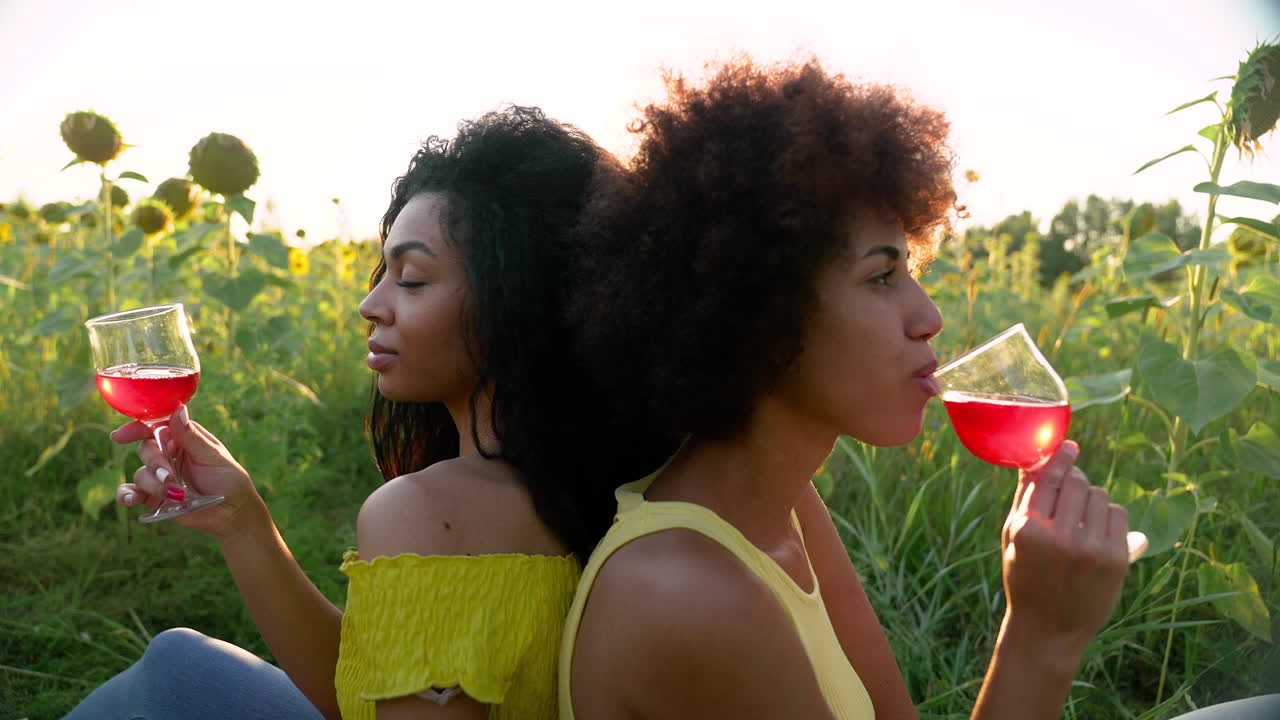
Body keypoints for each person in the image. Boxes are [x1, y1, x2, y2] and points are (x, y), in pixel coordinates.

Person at [558, 57, 1136, 720]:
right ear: (763, 313)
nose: (930, 317)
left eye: (908, 268)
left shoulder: (785, 507)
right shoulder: (686, 592)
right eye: (881, 277)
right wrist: (1043, 637)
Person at [65, 106, 671, 720]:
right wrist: (241, 522)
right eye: (385, 271)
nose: (369, 304)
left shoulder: (429, 514)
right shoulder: (620, 480)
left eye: (411, 279)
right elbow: (374, 691)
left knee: (174, 680)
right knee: (182, 661)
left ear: (517, 302)